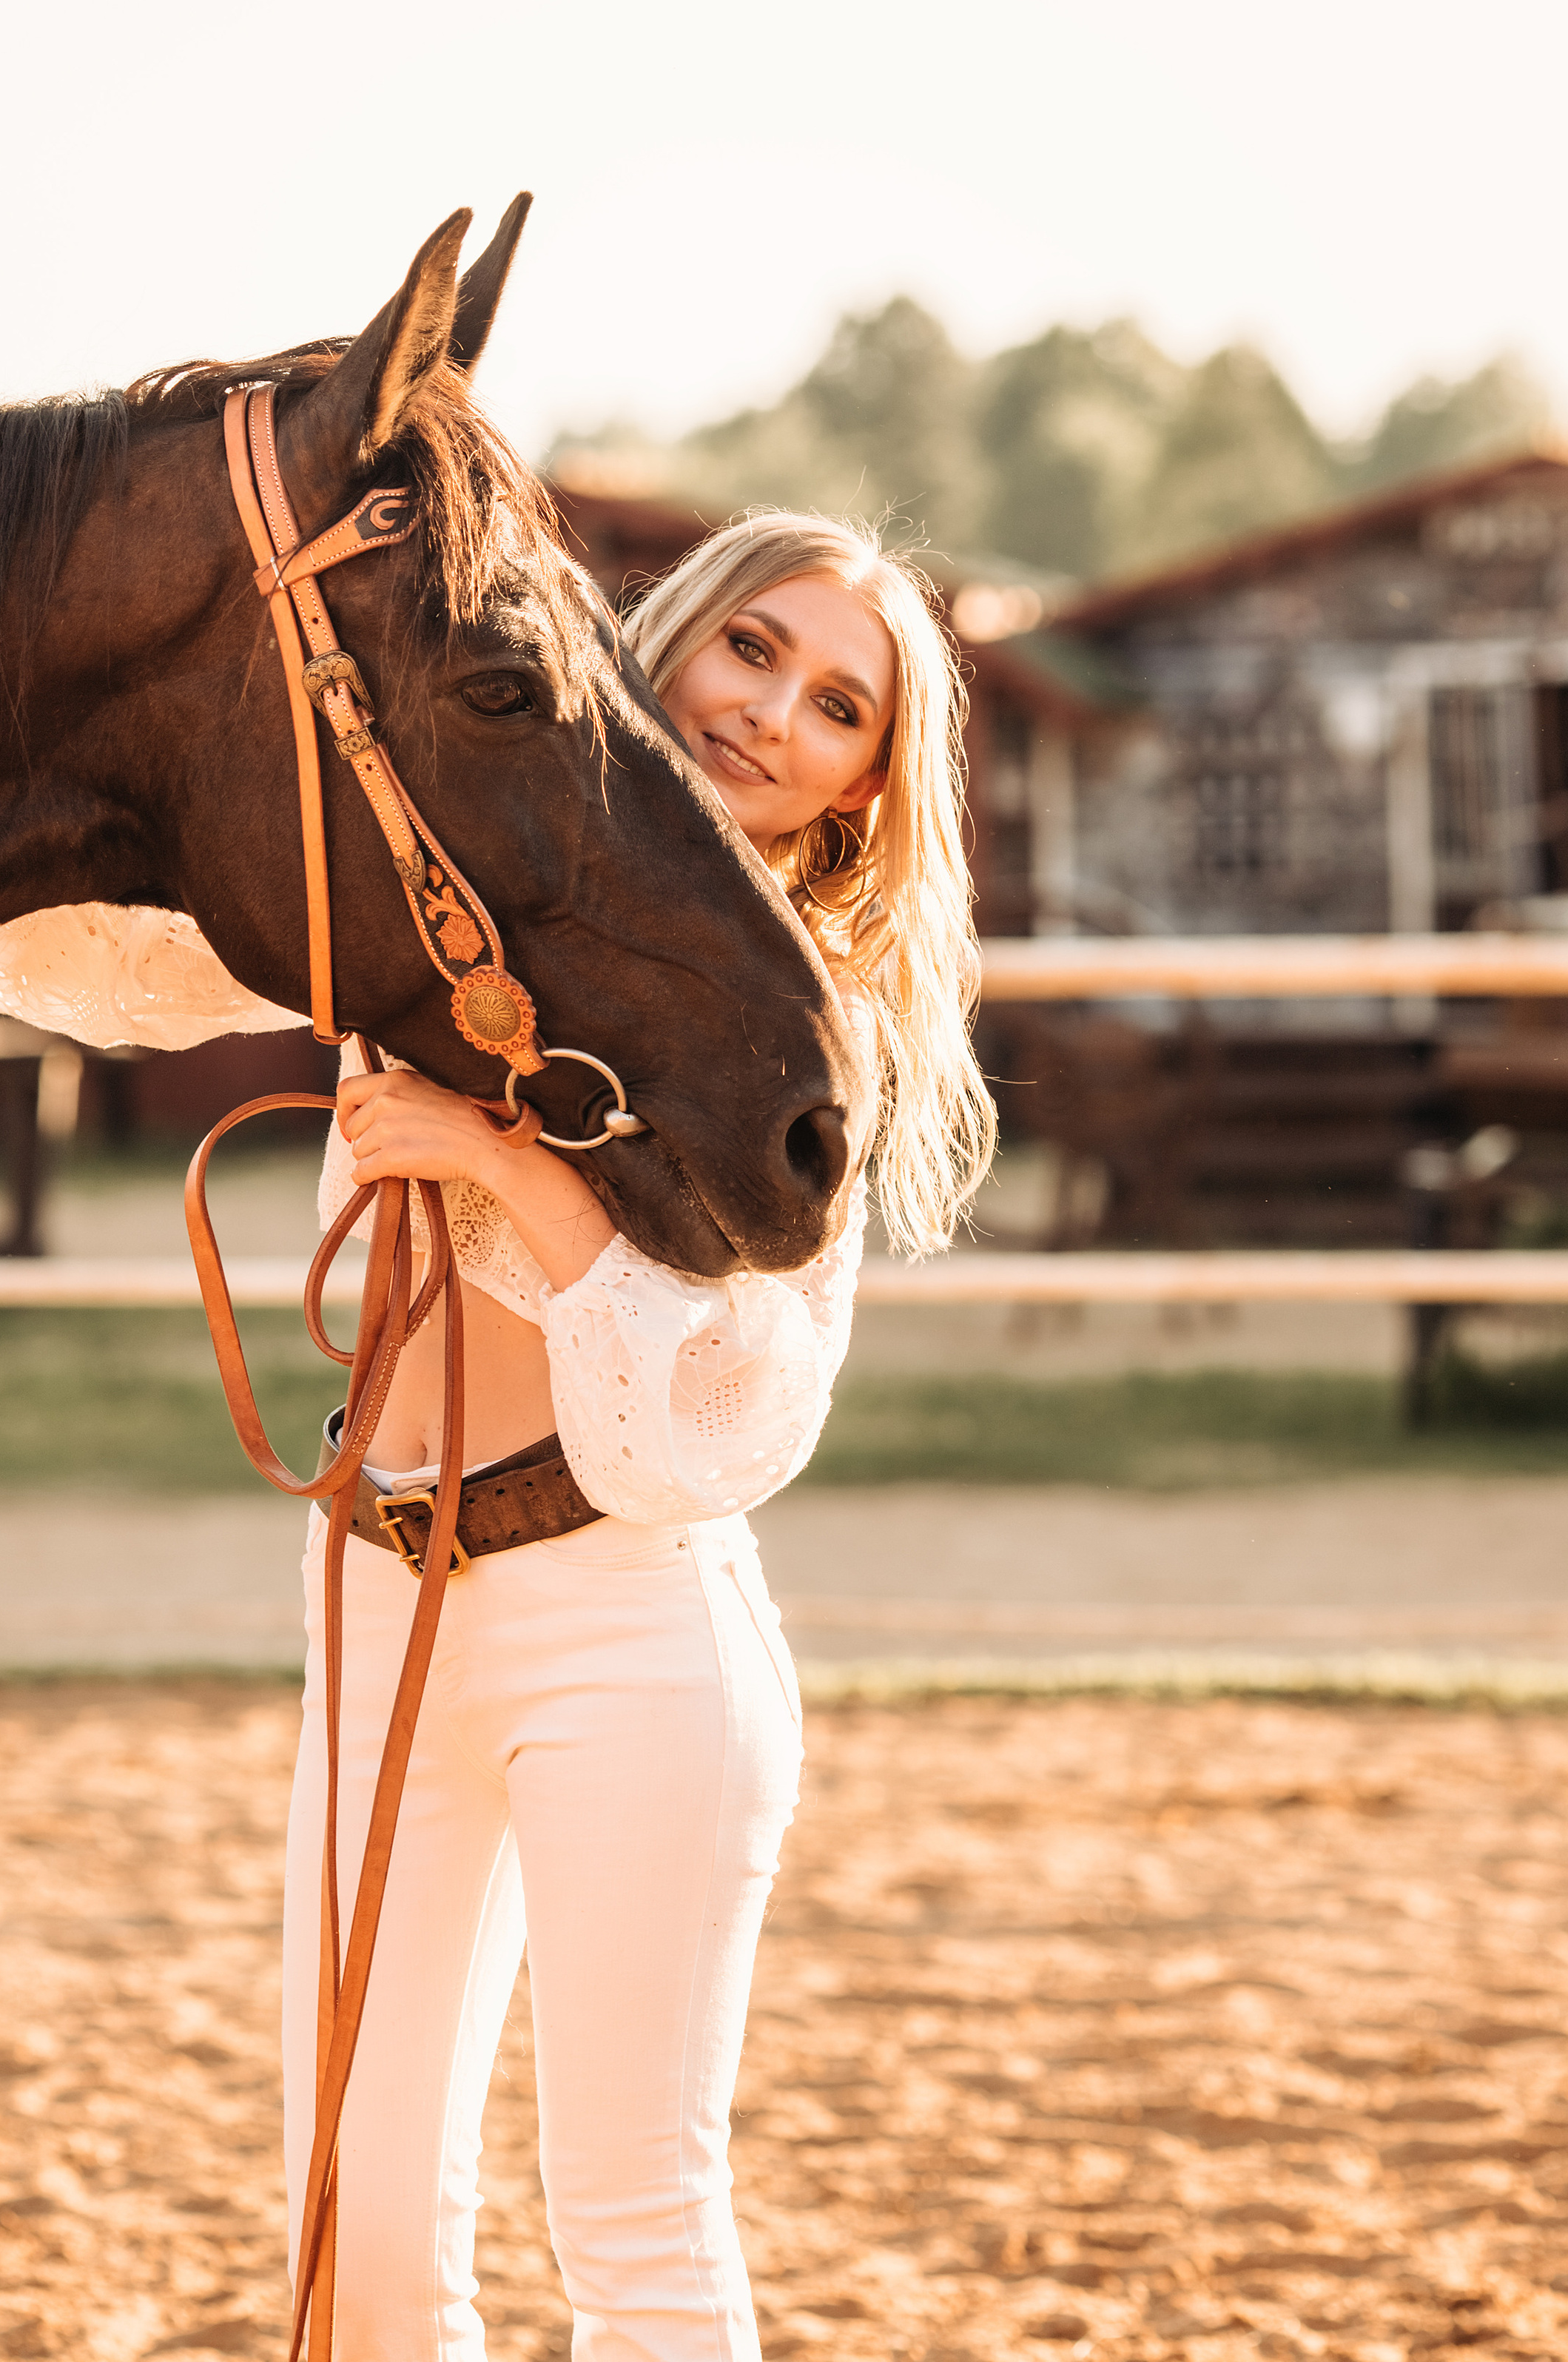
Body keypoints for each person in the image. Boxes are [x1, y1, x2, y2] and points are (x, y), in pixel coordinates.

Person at [288, 508, 997, 2361]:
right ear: (667, 638)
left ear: (857, 791)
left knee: (634, 2231)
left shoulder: (798, 1030)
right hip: (375, 1591)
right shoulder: (441, 903)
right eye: (751, 648)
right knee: (349, 2220)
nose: (771, 713)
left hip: (626, 1622)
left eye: (836, 705)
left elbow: (738, 1412)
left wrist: (512, 1171)